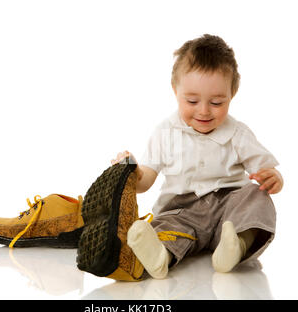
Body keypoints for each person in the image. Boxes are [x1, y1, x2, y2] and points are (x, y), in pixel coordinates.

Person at [111, 34, 283, 279]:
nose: (203, 111)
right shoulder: (165, 132)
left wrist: (274, 178)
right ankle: (161, 256)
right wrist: (130, 172)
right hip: (182, 211)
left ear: (232, 93)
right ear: (175, 91)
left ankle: (236, 246)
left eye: (216, 102)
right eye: (192, 100)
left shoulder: (238, 134)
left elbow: (265, 171)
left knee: (257, 195)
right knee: (167, 226)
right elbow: (145, 181)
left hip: (229, 209)